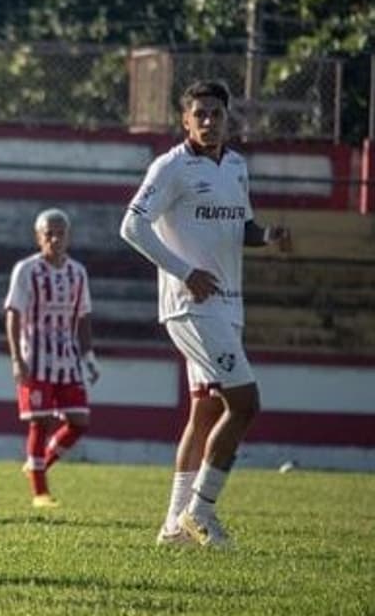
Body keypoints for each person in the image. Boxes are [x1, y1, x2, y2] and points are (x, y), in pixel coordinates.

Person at [120, 79, 291, 548]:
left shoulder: (236, 166)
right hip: (192, 307)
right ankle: (202, 512)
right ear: (185, 119)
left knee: (206, 410)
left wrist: (269, 236)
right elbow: (131, 225)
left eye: (217, 113)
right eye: (201, 114)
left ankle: (174, 526)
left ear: (227, 117)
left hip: (229, 305)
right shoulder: (171, 167)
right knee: (246, 404)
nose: (210, 121)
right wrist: (184, 271)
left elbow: (243, 228)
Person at [4, 208, 100, 508]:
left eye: (60, 233)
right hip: (36, 357)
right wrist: (17, 359)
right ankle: (40, 492)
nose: (55, 239)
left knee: (80, 421)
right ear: (38, 237)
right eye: (49, 234)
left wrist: (88, 355)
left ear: (68, 236)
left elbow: (83, 316)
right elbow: (13, 314)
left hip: (67, 358)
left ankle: (39, 463)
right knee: (40, 422)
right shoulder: (26, 270)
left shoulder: (77, 272)